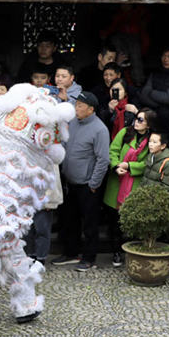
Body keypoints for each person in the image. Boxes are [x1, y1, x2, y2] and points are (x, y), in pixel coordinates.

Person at [52, 91, 110, 272]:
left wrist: (94, 183)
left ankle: (89, 258)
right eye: (76, 104)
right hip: (70, 182)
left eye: (80, 106)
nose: (76, 108)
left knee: (90, 223)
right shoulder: (72, 123)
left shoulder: (100, 129)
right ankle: (71, 252)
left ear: (91, 109)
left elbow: (103, 160)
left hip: (88, 185)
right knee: (70, 220)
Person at [103, 108, 154, 267]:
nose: (137, 122)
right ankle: (116, 252)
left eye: (141, 120)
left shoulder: (151, 140)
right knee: (114, 220)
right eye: (137, 118)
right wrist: (117, 165)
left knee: (131, 220)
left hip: (134, 183)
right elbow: (113, 150)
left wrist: (130, 165)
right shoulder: (125, 132)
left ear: (148, 124)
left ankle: (132, 252)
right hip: (117, 181)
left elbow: (148, 162)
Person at [138, 46, 169, 127]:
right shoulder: (155, 74)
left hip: (167, 121)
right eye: (164, 56)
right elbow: (143, 95)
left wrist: (151, 92)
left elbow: (168, 98)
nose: (166, 59)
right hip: (148, 116)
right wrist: (160, 105)